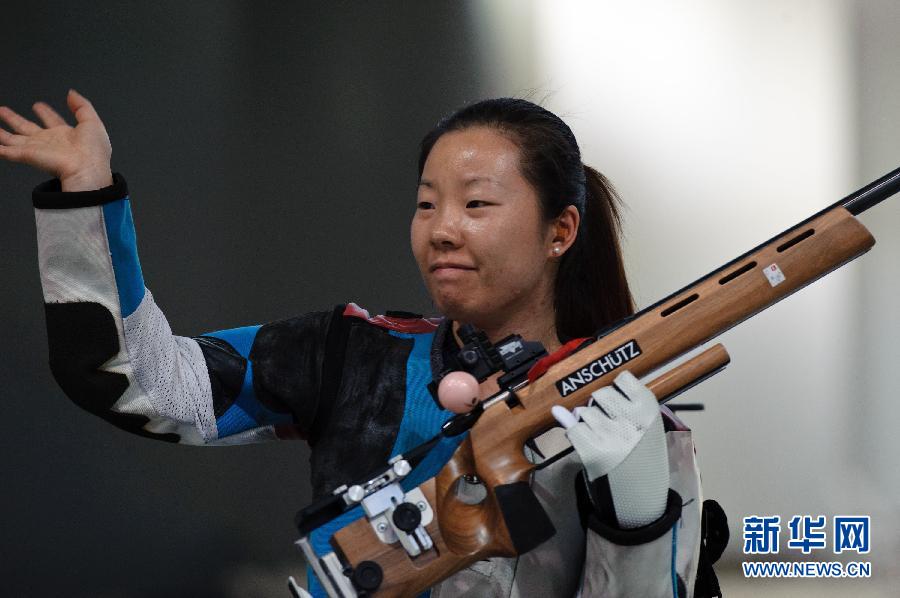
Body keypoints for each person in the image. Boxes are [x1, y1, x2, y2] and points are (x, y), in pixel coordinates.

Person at [0, 91, 726, 597]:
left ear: (560, 231)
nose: (442, 229)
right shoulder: (352, 353)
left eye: (476, 204)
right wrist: (87, 196)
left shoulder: (627, 419)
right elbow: (143, 379)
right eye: (426, 203)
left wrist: (639, 519)